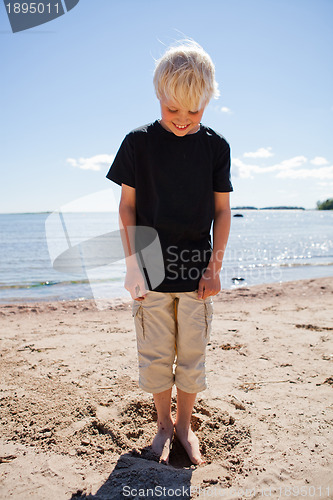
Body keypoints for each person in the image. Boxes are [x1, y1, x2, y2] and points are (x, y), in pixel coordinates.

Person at [106, 40, 233, 465]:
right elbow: (126, 207)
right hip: (150, 271)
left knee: (193, 358)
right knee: (157, 356)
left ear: (208, 101)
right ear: (159, 96)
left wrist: (215, 267)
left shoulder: (216, 147)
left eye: (193, 111)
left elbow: (221, 211)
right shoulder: (137, 143)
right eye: (172, 109)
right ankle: (162, 425)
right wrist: (131, 267)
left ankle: (184, 425)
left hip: (198, 275)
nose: (182, 120)